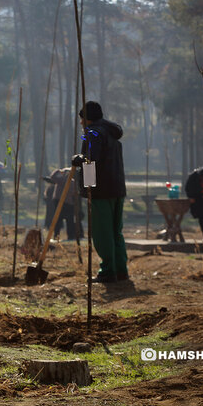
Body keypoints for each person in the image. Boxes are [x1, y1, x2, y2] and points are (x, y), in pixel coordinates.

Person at [72, 101, 128, 283]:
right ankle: (121, 270)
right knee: (115, 232)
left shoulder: (93, 132)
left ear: (87, 119)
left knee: (103, 233)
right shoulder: (111, 133)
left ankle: (108, 271)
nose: (81, 123)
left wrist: (79, 160)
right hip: (117, 189)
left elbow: (91, 160)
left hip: (101, 191)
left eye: (82, 119)